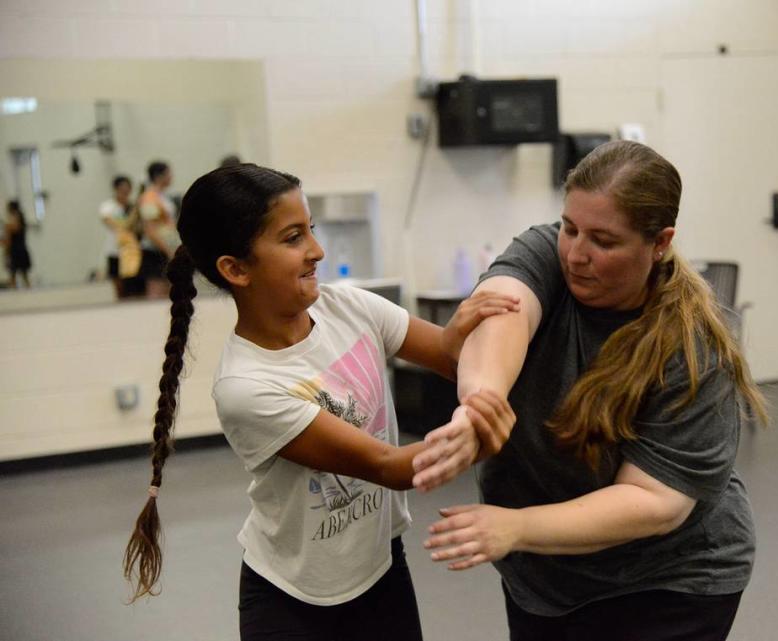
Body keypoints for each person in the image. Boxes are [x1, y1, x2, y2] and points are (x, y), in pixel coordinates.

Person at [122, 163, 518, 641]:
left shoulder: (347, 307)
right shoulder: (246, 386)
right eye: (292, 238)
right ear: (235, 269)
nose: (317, 250)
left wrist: (464, 334)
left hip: (381, 569)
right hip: (294, 604)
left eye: (310, 229)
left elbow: (446, 355)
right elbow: (389, 466)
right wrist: (480, 425)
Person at [420, 141, 769, 641]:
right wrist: (480, 404)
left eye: (604, 241)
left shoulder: (693, 351)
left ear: (660, 242)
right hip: (546, 579)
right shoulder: (546, 253)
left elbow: (654, 503)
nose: (577, 255)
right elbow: (502, 312)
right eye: (571, 228)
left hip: (667, 582)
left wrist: (516, 528)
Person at [136, 161, 180, 299]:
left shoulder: (164, 196)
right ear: (159, 176)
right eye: (169, 173)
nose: (171, 176)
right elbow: (150, 230)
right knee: (156, 294)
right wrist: (168, 251)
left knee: (169, 293)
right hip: (155, 250)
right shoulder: (149, 198)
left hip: (167, 248)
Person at [98, 175, 138, 298]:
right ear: (116, 189)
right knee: (118, 285)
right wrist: (132, 217)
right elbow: (114, 225)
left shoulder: (133, 206)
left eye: (128, 188)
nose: (125, 191)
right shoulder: (108, 206)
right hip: (115, 250)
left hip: (132, 252)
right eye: (122, 188)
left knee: (133, 286)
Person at [3, 200, 31, 289]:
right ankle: (15, 288)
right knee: (14, 273)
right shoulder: (16, 219)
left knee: (21, 273)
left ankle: (23, 287)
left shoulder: (17, 218)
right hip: (17, 249)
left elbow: (11, 234)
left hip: (17, 249)